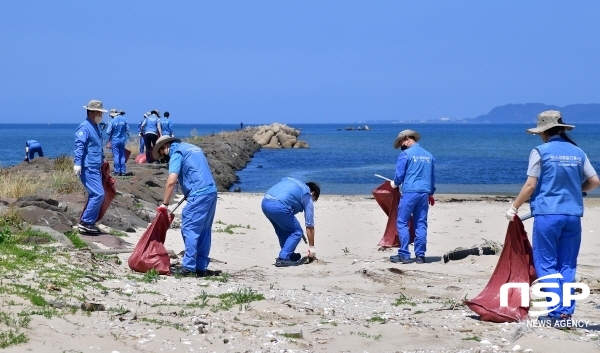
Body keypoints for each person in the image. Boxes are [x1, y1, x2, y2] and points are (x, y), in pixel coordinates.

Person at [506, 110, 600, 325]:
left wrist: (514, 207)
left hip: (548, 214)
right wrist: (578, 190)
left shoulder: (541, 151)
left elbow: (530, 185)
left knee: (546, 262)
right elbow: (594, 181)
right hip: (573, 215)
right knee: (567, 263)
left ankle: (556, 311)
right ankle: (566, 311)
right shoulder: (578, 152)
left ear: (543, 132)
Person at [152, 135, 220, 277]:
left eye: (162, 153)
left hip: (198, 194)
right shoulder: (193, 148)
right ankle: (200, 266)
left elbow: (171, 181)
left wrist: (165, 204)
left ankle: (188, 266)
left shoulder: (177, 153)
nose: (165, 157)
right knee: (204, 230)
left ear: (165, 147)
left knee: (189, 228)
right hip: (211, 191)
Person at [389, 129, 435, 264]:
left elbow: (399, 176)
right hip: (424, 193)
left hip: (410, 192)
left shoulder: (405, 154)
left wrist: (394, 184)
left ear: (407, 139)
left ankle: (404, 254)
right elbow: (432, 177)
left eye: (401, 142)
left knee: (402, 222)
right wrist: (431, 192)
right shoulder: (429, 156)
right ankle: (420, 255)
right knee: (421, 224)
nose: (401, 146)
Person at [261, 177, 320, 267]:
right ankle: (283, 258)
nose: (312, 202)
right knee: (297, 232)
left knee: (282, 230)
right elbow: (310, 225)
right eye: (314, 199)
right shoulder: (307, 194)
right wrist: (312, 247)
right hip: (278, 206)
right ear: (313, 193)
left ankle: (289, 254)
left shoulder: (294, 183)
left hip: (265, 203)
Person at [74, 99, 107, 235]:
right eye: (99, 113)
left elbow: (97, 146)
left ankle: (90, 222)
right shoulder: (85, 127)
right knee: (99, 194)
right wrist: (77, 163)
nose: (101, 115)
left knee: (95, 194)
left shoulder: (95, 126)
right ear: (92, 112)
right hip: (88, 166)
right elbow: (79, 146)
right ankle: (86, 222)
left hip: (95, 166)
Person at [106, 108, 130, 176]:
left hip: (115, 140)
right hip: (122, 140)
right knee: (122, 155)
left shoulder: (112, 121)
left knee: (116, 155)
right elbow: (128, 129)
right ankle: (123, 171)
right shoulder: (124, 119)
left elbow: (108, 132)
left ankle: (117, 170)